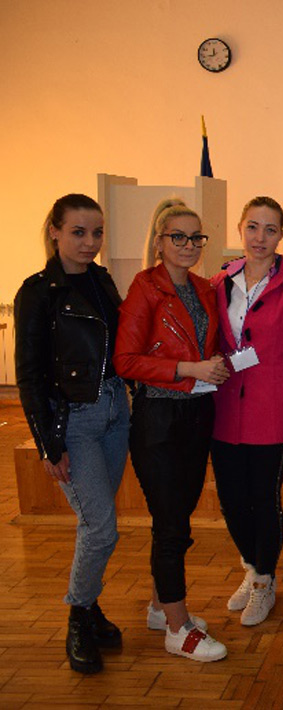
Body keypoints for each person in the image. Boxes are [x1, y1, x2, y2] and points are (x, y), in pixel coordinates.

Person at [15, 194, 128, 674]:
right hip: (74, 421)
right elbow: (29, 375)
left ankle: (90, 603)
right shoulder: (38, 292)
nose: (89, 242)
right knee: (101, 526)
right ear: (55, 231)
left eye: (96, 232)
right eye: (78, 232)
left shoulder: (102, 280)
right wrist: (48, 444)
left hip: (116, 412)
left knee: (97, 523)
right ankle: (79, 616)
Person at [114, 198, 230, 662]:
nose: (188, 244)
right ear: (160, 242)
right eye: (177, 236)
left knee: (178, 517)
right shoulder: (145, 287)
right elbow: (126, 361)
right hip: (158, 420)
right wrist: (188, 368)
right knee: (171, 524)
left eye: (195, 237)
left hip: (197, 414)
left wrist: (213, 365)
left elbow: (205, 343)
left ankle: (161, 607)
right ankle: (179, 630)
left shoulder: (203, 288)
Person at [211, 197, 283, 626]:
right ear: (240, 228)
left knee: (263, 498)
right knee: (231, 500)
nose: (260, 237)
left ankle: (264, 582)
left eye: (270, 229)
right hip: (224, 407)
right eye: (253, 227)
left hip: (272, 407)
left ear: (281, 235)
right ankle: (253, 567)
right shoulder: (220, 281)